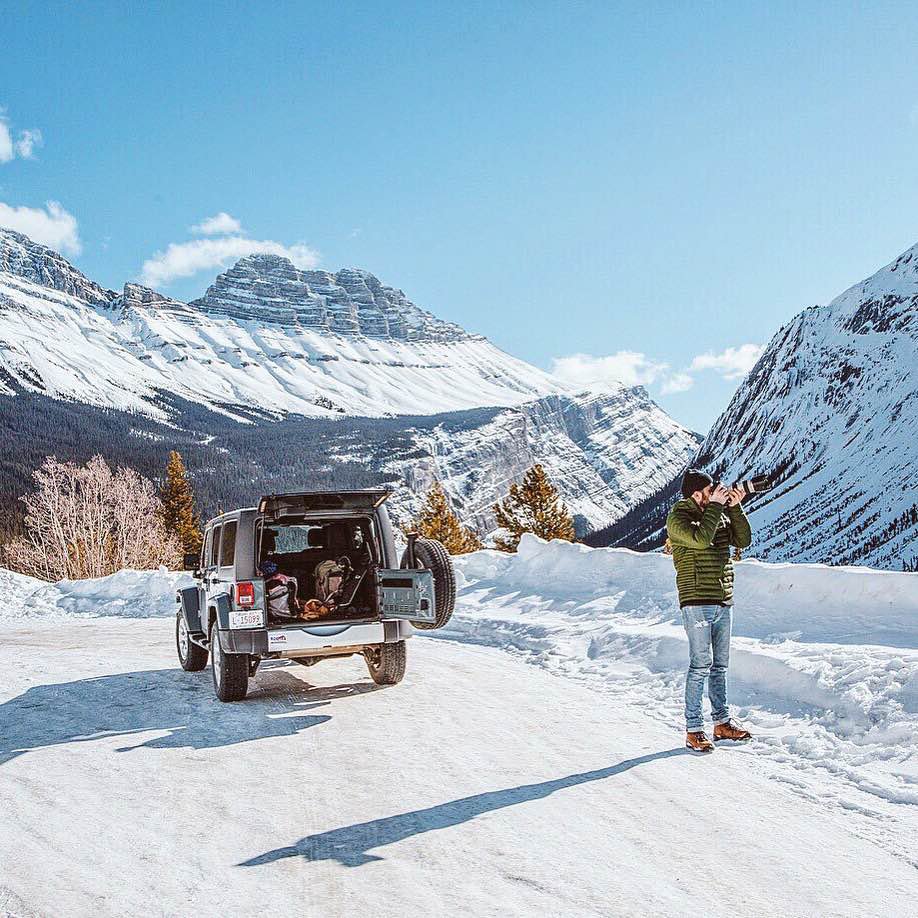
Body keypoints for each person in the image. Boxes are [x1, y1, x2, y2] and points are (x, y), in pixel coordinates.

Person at [666, 469, 753, 753]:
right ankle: (693, 730)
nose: (714, 494)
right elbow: (702, 539)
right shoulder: (678, 518)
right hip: (696, 601)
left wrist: (735, 508)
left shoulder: (717, 512)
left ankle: (722, 723)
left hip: (722, 600)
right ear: (696, 494)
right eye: (708, 492)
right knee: (700, 665)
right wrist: (716, 506)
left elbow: (742, 540)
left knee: (720, 666)